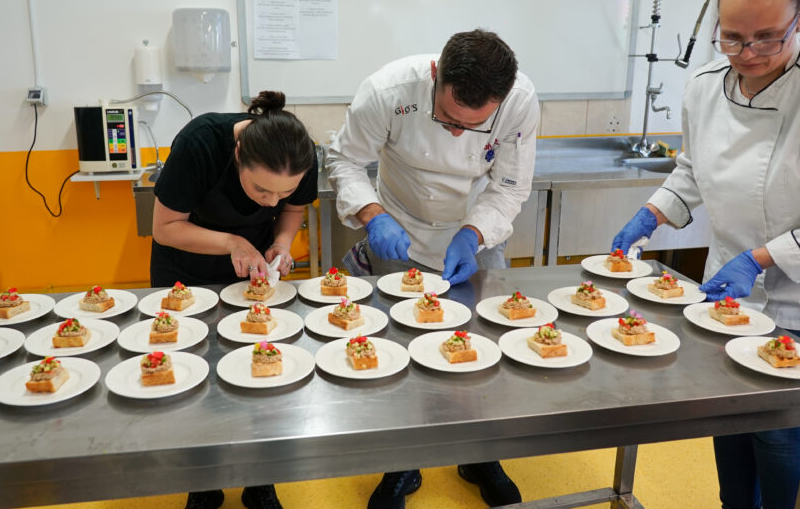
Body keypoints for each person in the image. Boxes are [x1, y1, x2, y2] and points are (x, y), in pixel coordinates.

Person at [611, 0, 800, 508]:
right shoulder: (706, 84)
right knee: (731, 410)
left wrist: (760, 258)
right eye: (731, 36)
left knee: (775, 425)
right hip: (733, 285)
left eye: (767, 37)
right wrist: (651, 213)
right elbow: (693, 169)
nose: (747, 53)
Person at [325, 29, 539, 508]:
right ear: (435, 75)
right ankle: (402, 464)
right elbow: (345, 159)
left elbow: (509, 186)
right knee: (398, 351)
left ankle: (480, 454)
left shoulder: (521, 101)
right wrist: (372, 215)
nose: (458, 132)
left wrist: (474, 232)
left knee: (482, 348)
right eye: (448, 119)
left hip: (474, 231)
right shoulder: (386, 92)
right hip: (398, 228)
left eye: (473, 126)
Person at [151, 91, 318, 509]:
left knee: (261, 374)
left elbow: (293, 211)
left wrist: (281, 242)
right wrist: (231, 242)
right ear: (239, 153)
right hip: (187, 273)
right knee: (199, 380)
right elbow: (165, 227)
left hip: (252, 272)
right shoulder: (200, 143)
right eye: (261, 190)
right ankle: (204, 481)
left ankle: (260, 480)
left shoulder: (300, 154)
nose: (271, 202)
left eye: (282, 191)